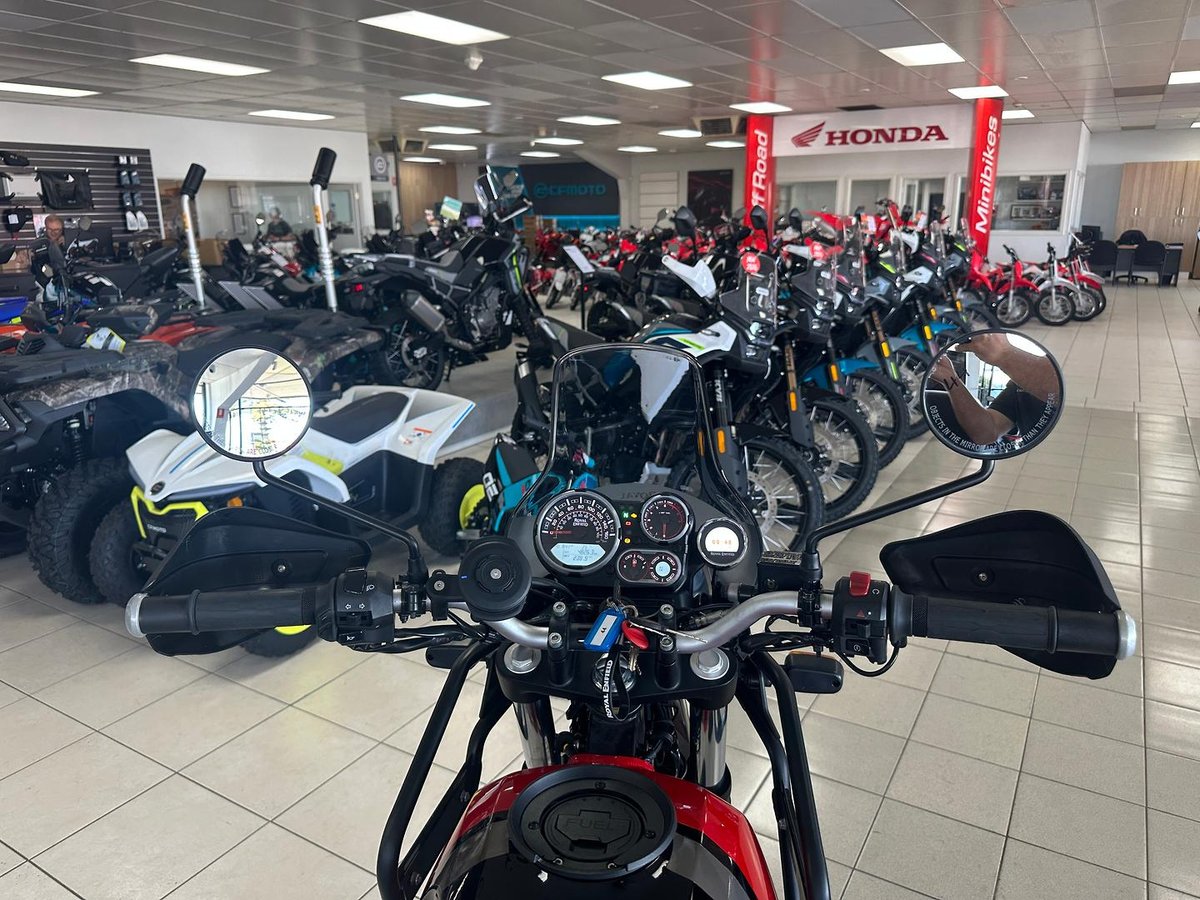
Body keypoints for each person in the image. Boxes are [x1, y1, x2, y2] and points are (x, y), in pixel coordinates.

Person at [929, 331, 1059, 447]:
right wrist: (950, 378)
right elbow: (987, 433)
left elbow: (1060, 387)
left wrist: (1004, 354)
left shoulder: (1054, 378)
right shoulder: (1019, 386)